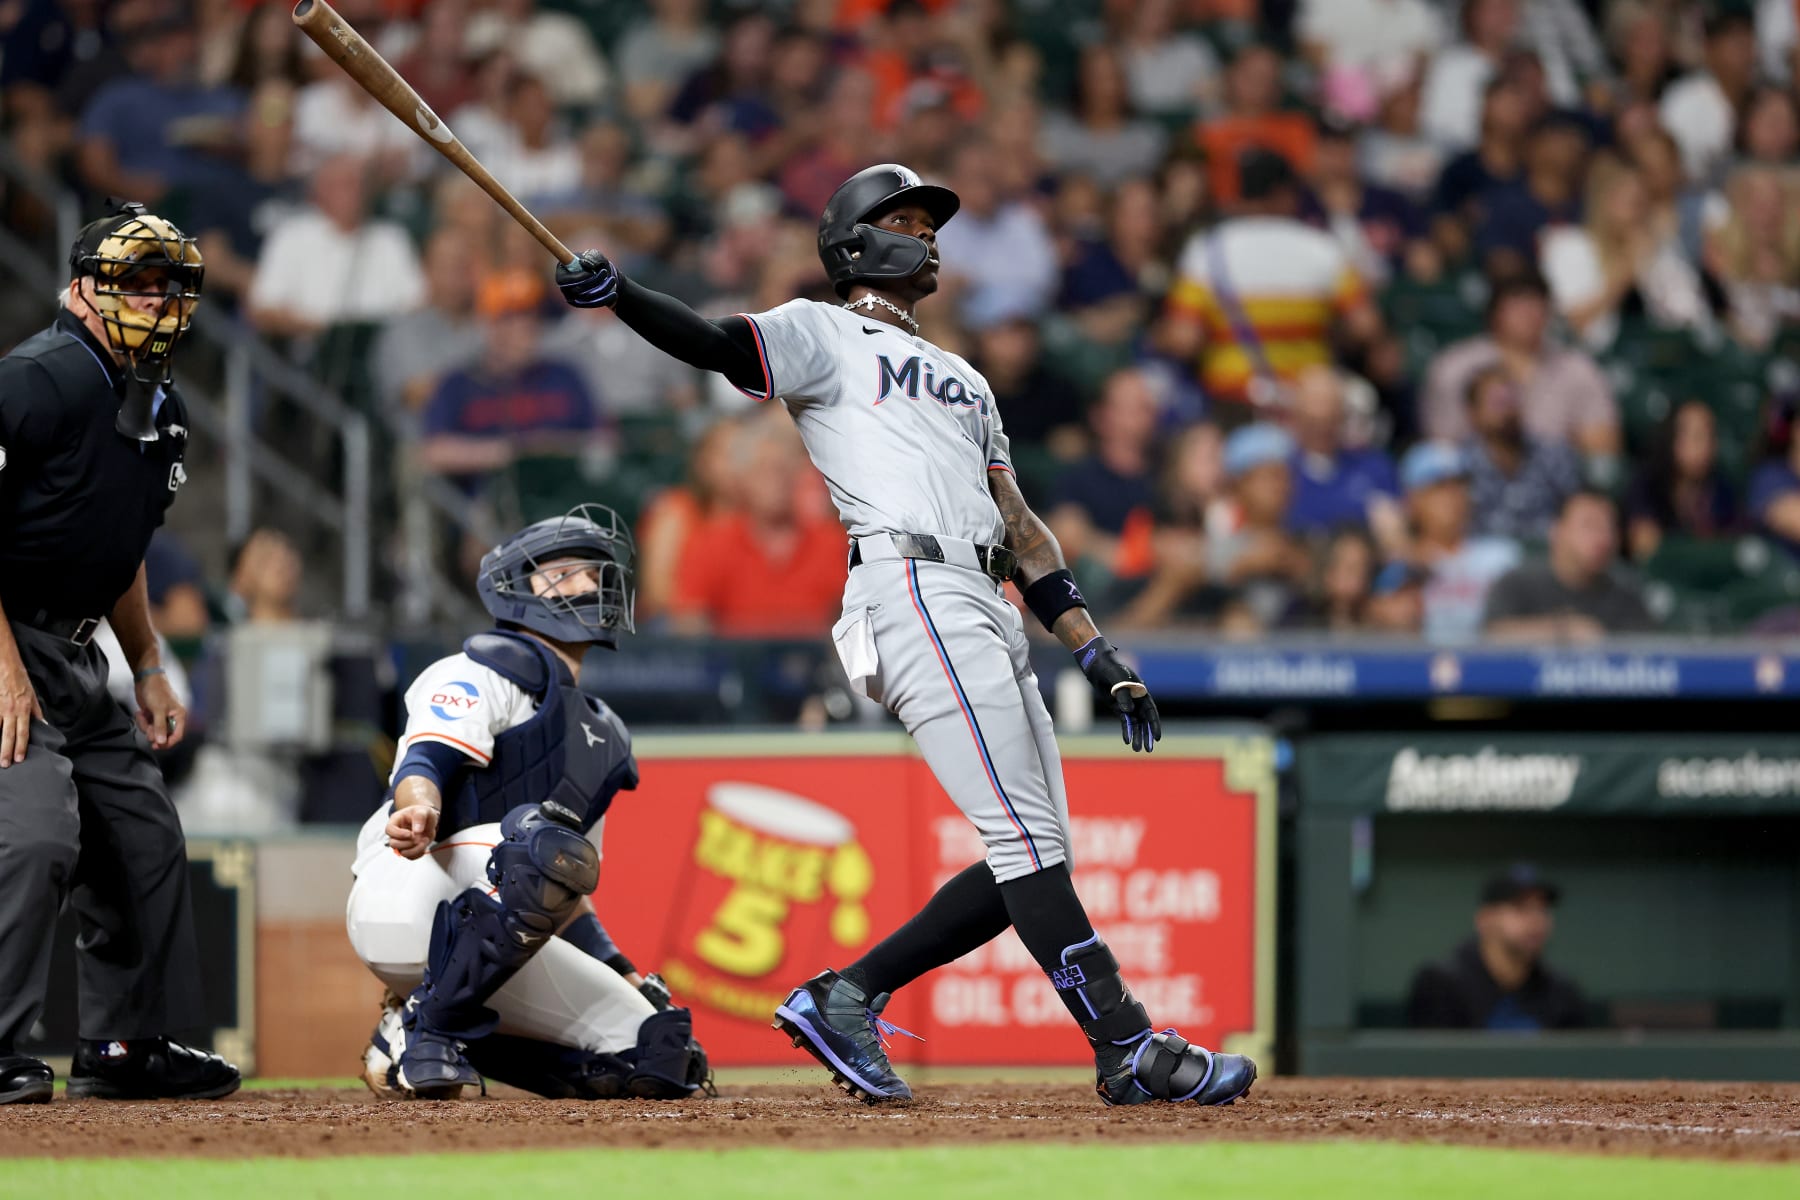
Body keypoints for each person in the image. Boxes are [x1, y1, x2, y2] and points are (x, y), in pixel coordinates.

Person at [555, 164, 1254, 1107]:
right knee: (1025, 842)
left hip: (988, 596)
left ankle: (848, 997)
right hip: (912, 579)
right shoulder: (821, 330)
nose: (928, 238)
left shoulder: (966, 378)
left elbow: (1020, 523)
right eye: (908, 222)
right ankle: (1125, 1044)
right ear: (854, 243)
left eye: (931, 225)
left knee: (1036, 852)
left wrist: (1091, 642)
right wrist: (624, 296)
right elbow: (720, 344)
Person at [345, 506, 710, 1101]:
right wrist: (417, 805)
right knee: (541, 846)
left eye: (593, 572)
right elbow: (425, 762)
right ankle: (423, 1031)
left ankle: (434, 1033)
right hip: (408, 893)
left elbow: (565, 897)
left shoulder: (603, 736)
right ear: (516, 587)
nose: (588, 584)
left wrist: (625, 974)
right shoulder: (474, 668)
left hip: (494, 931)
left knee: (658, 1055)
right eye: (563, 572)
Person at [0, 204, 238, 1104]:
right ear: (83, 288)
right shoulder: (40, 377)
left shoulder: (152, 398)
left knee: (141, 831)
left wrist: (145, 662)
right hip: (7, 639)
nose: (158, 300)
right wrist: (6, 669)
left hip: (74, 646)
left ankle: (127, 1045)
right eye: (136, 282)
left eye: (170, 284)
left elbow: (120, 539)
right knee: (31, 834)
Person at [1162, 149, 1379, 420]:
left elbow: (1184, 339)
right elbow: (1365, 326)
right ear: (1285, 195)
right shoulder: (1322, 248)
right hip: (1308, 405)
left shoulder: (1207, 249)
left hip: (1231, 402)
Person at [1421, 271, 1619, 466]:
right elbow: (1441, 452)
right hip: (1473, 483)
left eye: (1537, 301)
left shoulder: (1576, 368)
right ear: (1495, 311)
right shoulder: (1455, 368)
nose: (1529, 311)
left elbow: (1602, 451)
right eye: (1518, 301)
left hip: (1555, 484)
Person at [1408, 864, 1587, 1030]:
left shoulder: (1561, 990)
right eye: (1521, 908)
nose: (1536, 919)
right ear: (1484, 920)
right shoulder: (1441, 984)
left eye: (1543, 909)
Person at [1484, 490, 1655, 641]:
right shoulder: (1516, 583)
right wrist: (1562, 631)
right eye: (1589, 526)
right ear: (1557, 531)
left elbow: (1647, 651)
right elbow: (1490, 636)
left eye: (1609, 528)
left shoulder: (1626, 591)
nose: (1603, 539)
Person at [1398, 442, 1521, 643]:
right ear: (1413, 500)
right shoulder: (1398, 565)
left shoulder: (1502, 557)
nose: (1452, 496)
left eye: (1459, 485)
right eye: (1438, 487)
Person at [1461, 364, 1582, 542]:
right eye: (1497, 403)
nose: (1508, 411)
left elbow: (1576, 509)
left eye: (1512, 400)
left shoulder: (1553, 455)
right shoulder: (1459, 465)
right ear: (1474, 413)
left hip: (1546, 559)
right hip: (1482, 563)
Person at [1624, 401, 1741, 562]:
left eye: (1710, 436)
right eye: (1696, 436)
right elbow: (1645, 550)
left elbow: (1731, 549)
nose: (1706, 446)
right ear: (1672, 439)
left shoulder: (1722, 488)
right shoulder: (1648, 483)